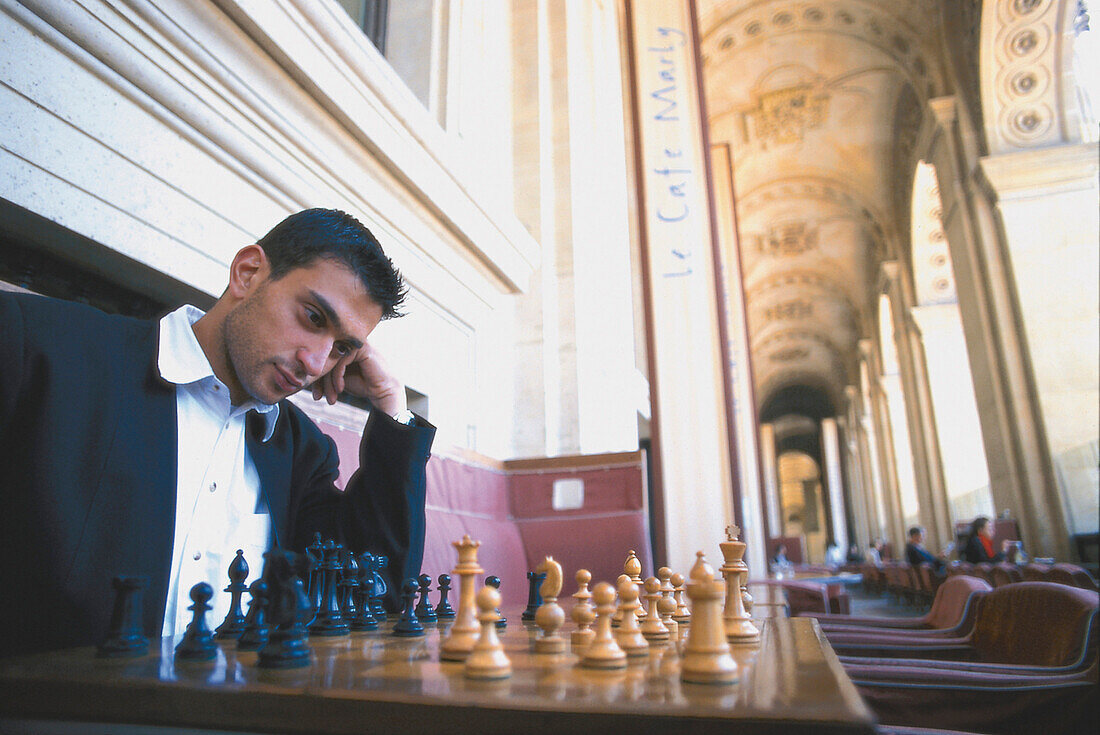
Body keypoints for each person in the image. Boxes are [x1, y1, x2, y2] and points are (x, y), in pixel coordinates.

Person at [0, 208, 436, 655]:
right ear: (248, 273)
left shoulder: (302, 453)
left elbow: (375, 595)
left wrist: (391, 407)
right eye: (312, 317)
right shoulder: (37, 347)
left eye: (341, 349)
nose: (314, 363)